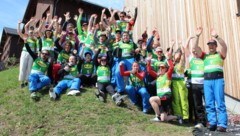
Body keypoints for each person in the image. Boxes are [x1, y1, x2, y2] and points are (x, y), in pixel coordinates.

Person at [193, 27, 228, 132]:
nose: (211, 46)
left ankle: (222, 124)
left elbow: (225, 46)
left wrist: (217, 36)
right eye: (209, 45)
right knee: (209, 103)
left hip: (218, 80)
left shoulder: (220, 55)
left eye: (213, 45)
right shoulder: (205, 56)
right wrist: (197, 36)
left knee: (220, 102)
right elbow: (195, 47)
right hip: (207, 81)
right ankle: (212, 123)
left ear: (216, 46)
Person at [147, 52, 182, 123]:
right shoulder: (158, 75)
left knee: (151, 99)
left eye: (163, 67)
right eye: (160, 67)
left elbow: (171, 67)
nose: (161, 69)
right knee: (164, 119)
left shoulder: (167, 75)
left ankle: (157, 116)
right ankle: (178, 117)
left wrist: (168, 59)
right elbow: (149, 71)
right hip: (161, 99)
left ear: (166, 69)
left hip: (166, 97)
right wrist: (149, 62)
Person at [184, 34, 206, 127]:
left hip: (205, 84)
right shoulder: (191, 59)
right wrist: (188, 38)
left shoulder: (204, 59)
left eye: (196, 51)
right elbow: (185, 48)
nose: (194, 52)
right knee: (198, 104)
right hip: (195, 85)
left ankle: (209, 120)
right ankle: (200, 121)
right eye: (193, 51)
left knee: (208, 103)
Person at [171, 44, 189, 122]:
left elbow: (183, 57)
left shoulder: (181, 62)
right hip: (174, 82)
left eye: (179, 54)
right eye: (176, 54)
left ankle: (185, 117)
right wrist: (172, 46)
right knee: (176, 99)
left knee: (183, 99)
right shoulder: (172, 62)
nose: (177, 56)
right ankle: (178, 115)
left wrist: (182, 50)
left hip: (181, 83)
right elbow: (169, 55)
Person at [17, 19, 37, 88]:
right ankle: (22, 82)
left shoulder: (35, 40)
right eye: (30, 32)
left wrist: (34, 24)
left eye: (32, 32)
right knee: (23, 66)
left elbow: (37, 30)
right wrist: (19, 24)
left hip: (31, 54)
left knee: (29, 67)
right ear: (28, 33)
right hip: (24, 52)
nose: (31, 33)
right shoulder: (26, 37)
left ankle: (27, 81)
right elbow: (19, 32)